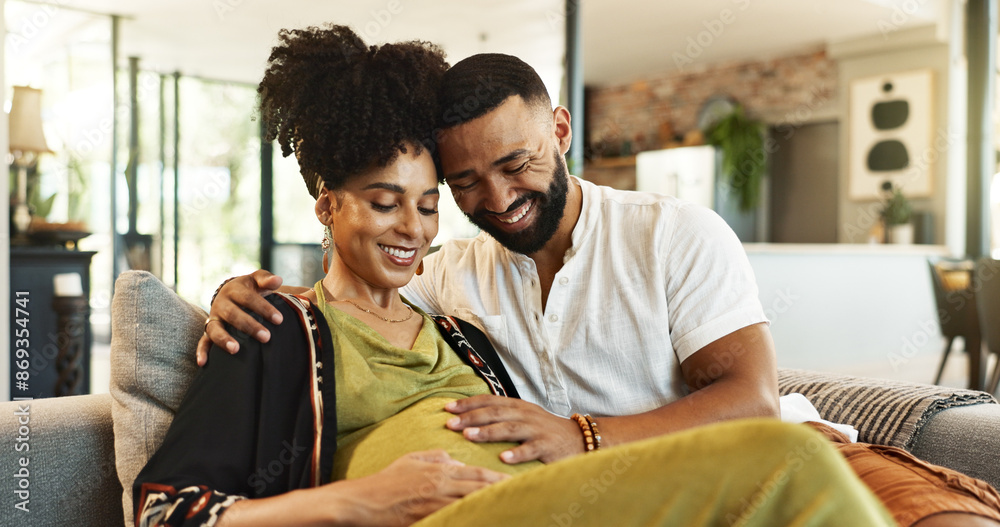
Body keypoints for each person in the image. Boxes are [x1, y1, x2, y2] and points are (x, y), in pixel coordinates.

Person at [199, 39, 1000, 527]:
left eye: (516, 164)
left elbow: (751, 400)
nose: (498, 199)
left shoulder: (672, 232)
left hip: (776, 446)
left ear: (560, 129)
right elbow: (362, 286)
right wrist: (240, 293)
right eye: (465, 183)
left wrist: (578, 435)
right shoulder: (453, 278)